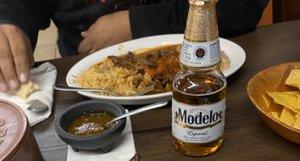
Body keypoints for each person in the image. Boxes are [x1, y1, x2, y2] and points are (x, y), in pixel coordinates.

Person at [0, 0, 269, 92]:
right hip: (81, 83)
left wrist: (134, 23)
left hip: (213, 81)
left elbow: (240, 8)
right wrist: (10, 20)